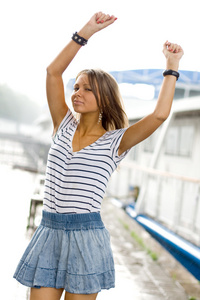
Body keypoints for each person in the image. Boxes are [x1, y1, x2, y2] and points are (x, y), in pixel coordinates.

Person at [14, 11, 184, 300]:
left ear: (104, 99)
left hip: (86, 238)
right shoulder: (62, 124)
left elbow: (159, 115)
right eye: (76, 87)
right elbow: (52, 72)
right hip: (49, 230)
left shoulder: (115, 142)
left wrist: (172, 66)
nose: (77, 92)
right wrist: (86, 32)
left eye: (87, 89)